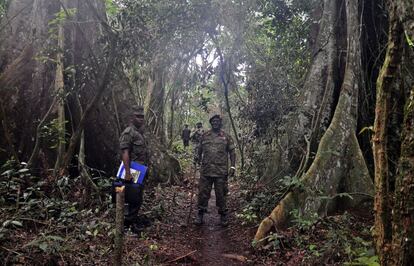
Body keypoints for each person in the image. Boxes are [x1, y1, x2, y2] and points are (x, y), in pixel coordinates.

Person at [194, 115, 236, 227]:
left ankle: (223, 215)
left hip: (221, 171)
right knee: (203, 193)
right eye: (213, 121)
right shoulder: (205, 136)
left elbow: (232, 152)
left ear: (220, 123)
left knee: (221, 194)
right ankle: (200, 214)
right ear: (211, 123)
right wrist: (197, 158)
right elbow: (199, 150)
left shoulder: (226, 136)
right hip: (206, 170)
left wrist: (233, 166)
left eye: (217, 121)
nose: (215, 123)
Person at [119, 105, 149, 233]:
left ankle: (132, 221)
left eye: (142, 116)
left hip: (140, 170)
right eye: (138, 116)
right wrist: (127, 172)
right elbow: (125, 152)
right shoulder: (128, 132)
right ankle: (127, 225)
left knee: (137, 197)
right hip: (132, 170)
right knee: (132, 198)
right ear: (132, 118)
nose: (141, 119)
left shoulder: (139, 133)